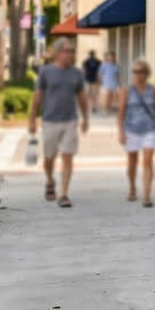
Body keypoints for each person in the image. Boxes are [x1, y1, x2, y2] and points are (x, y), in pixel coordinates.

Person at [28, 38, 89, 208]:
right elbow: (38, 97)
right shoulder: (46, 72)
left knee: (68, 155)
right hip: (50, 121)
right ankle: (49, 180)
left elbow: (82, 98)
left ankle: (64, 194)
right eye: (66, 51)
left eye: (71, 51)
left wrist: (85, 119)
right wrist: (32, 120)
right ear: (57, 53)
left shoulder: (76, 73)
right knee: (49, 158)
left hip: (70, 120)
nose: (70, 54)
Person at [117, 58, 155, 207]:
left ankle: (146, 195)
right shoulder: (126, 90)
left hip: (149, 129)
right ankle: (132, 187)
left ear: (147, 73)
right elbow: (121, 112)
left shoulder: (154, 90)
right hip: (131, 129)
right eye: (135, 72)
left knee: (148, 162)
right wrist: (121, 131)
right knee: (132, 162)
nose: (138, 75)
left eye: (141, 72)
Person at [99, 51, 120, 116]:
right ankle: (106, 110)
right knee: (107, 97)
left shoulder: (116, 65)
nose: (111, 57)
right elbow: (100, 74)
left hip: (114, 84)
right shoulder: (104, 65)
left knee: (112, 98)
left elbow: (117, 75)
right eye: (109, 56)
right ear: (108, 57)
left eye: (112, 56)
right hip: (106, 83)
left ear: (114, 57)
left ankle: (109, 109)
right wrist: (101, 81)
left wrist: (118, 83)